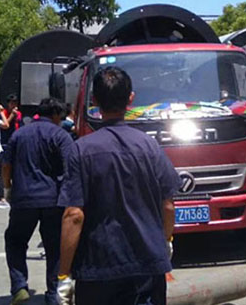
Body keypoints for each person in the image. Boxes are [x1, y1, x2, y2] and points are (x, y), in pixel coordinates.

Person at [56, 67, 181, 305]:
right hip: (147, 265)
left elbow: (73, 215)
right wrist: (166, 241)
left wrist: (64, 275)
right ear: (131, 99)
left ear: (94, 101)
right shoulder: (149, 146)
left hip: (98, 270)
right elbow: (168, 205)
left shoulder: (81, 150)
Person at [3, 98, 78, 305]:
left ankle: (19, 287)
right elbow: (71, 167)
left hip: (23, 199)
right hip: (53, 199)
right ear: (55, 115)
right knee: (55, 248)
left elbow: (6, 165)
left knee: (15, 241)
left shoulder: (19, 134)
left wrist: (7, 188)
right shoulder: (61, 135)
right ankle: (54, 294)